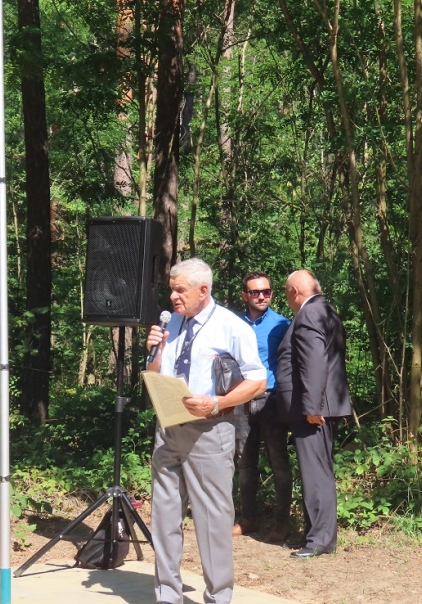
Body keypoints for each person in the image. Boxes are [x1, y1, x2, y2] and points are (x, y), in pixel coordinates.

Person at [145, 258, 267, 604]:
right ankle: (167, 595)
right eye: (171, 289)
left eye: (179, 290)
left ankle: (218, 596)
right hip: (168, 428)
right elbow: (154, 372)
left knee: (213, 519)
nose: (173, 296)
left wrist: (216, 402)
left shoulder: (231, 326)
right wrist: (156, 350)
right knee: (164, 515)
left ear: (203, 290)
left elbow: (258, 381)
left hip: (209, 431)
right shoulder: (171, 323)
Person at [275, 269, 352, 558]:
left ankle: (320, 540)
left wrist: (312, 406)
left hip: (314, 409)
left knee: (316, 473)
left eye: (287, 295)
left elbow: (314, 363)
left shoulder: (308, 314)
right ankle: (315, 533)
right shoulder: (327, 310)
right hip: (322, 405)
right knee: (316, 471)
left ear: (294, 292)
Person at [232, 272, 292, 543]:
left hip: (271, 399)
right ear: (245, 295)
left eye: (266, 292)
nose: (261, 297)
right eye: (255, 292)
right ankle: (248, 518)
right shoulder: (234, 324)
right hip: (241, 399)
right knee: (245, 462)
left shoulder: (283, 324)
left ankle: (282, 523)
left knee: (279, 462)